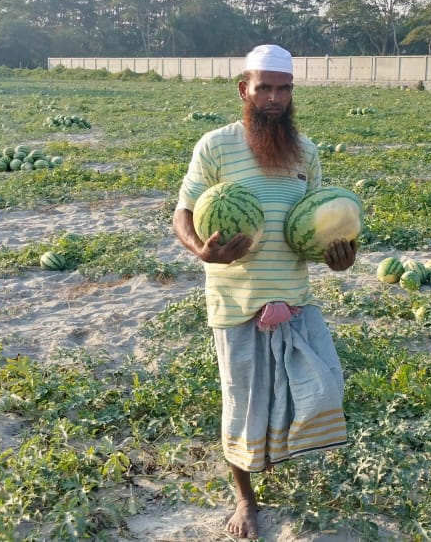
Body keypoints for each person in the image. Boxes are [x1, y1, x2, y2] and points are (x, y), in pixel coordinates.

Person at [173, 44, 357, 539]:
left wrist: (342, 259)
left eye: (284, 88)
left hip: (295, 297)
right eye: (264, 88)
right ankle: (244, 499)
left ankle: (272, 458)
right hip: (235, 300)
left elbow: (319, 229)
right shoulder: (214, 147)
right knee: (241, 402)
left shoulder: (307, 154)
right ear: (244, 91)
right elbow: (183, 213)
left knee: (310, 391)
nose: (274, 98)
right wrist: (201, 251)